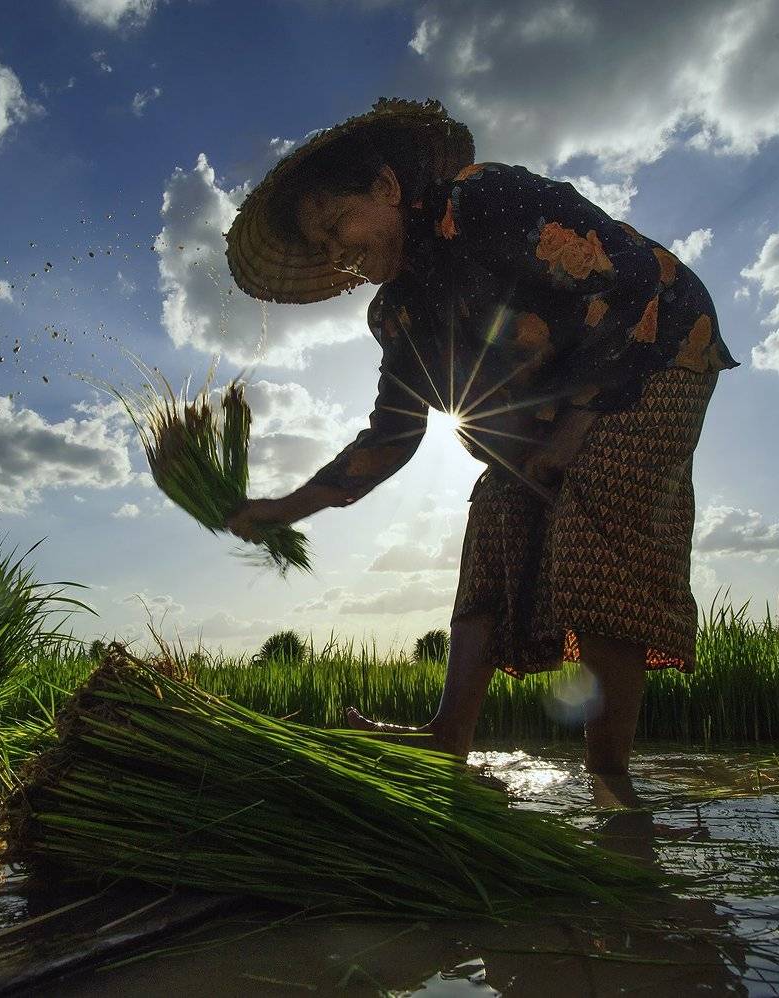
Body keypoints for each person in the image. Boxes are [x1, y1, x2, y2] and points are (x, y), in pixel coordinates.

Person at [224, 99, 738, 775]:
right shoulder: (398, 311)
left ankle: (610, 781)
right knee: (496, 511)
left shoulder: (480, 202)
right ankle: (447, 736)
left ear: (385, 188)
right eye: (322, 247)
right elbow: (393, 433)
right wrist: (283, 511)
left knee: (598, 499)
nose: (336, 251)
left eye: (336, 223)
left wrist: (579, 423)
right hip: (559, 394)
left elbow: (632, 282)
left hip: (658, 340)